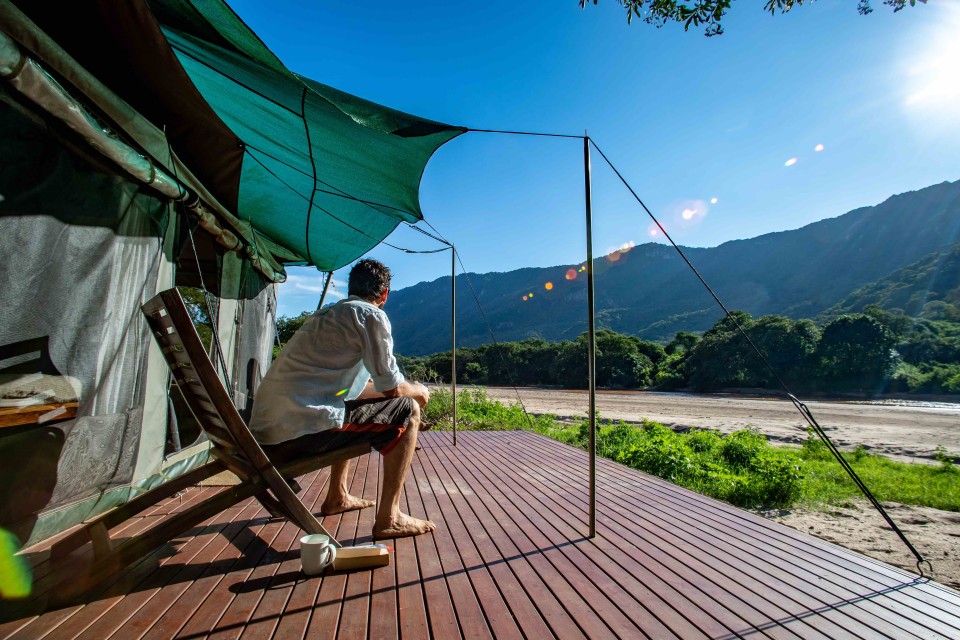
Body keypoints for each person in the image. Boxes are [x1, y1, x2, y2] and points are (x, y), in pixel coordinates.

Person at [249, 259, 435, 539]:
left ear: (351, 289)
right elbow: (392, 389)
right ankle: (391, 517)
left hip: (265, 434)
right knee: (408, 411)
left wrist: (398, 390)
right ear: (384, 294)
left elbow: (354, 390)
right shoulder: (370, 315)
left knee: (350, 404)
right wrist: (419, 391)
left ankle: (338, 495)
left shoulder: (326, 315)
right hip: (291, 437)